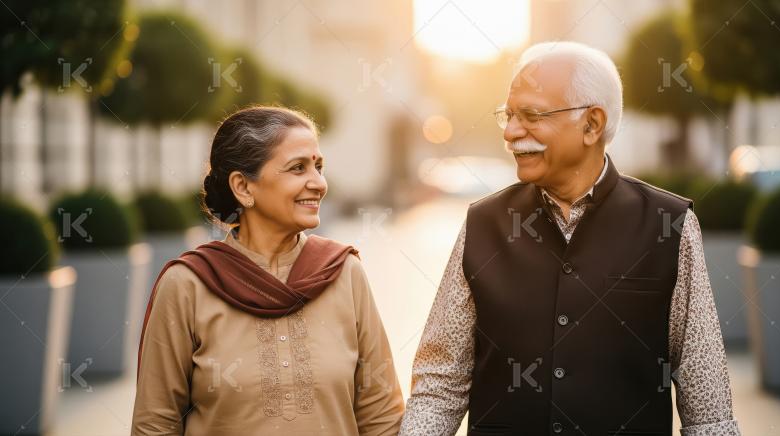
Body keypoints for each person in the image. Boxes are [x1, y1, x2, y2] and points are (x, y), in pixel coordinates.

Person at [400, 42, 740, 435]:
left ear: (592, 124)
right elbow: (440, 385)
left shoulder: (670, 225)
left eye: (531, 115)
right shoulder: (483, 223)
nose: (511, 132)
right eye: (508, 116)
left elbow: (707, 402)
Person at [132, 106, 404, 435]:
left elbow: (382, 416)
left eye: (318, 167)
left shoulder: (344, 272)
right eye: (298, 168)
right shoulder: (188, 284)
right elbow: (155, 423)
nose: (319, 183)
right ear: (244, 188)